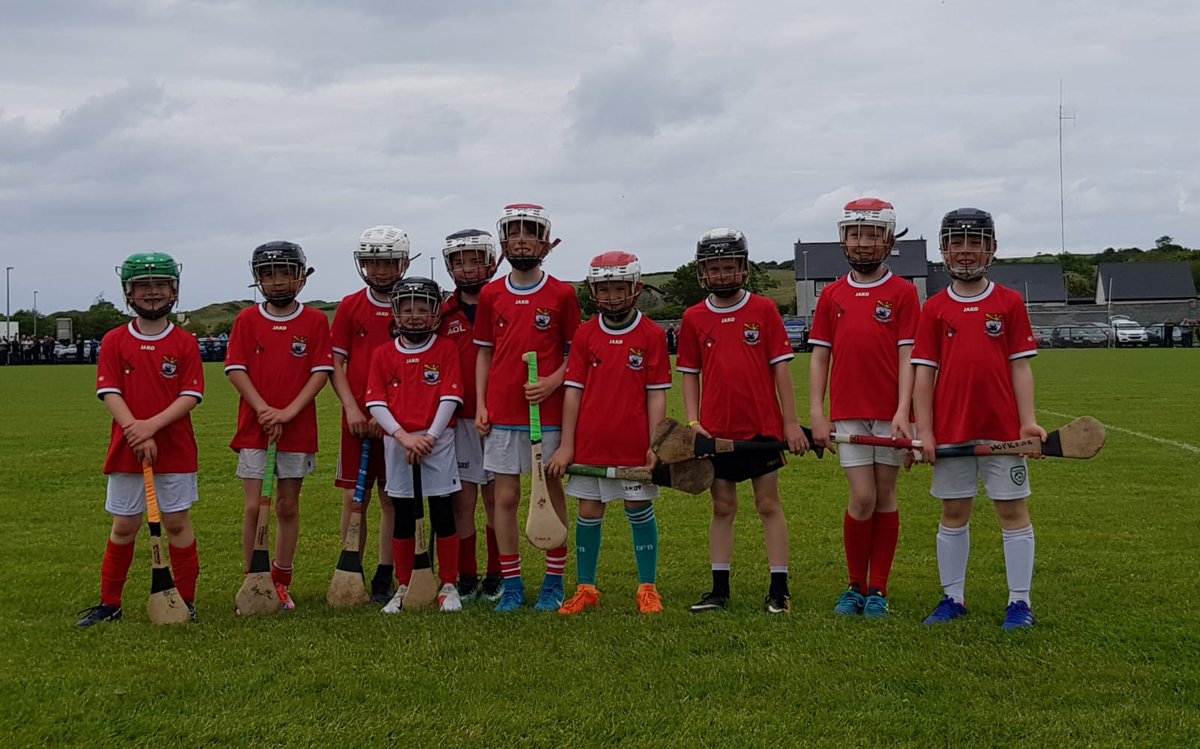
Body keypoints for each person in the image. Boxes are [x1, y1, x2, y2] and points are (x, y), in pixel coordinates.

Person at [912, 208, 1044, 632]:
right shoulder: (933, 309)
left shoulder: (1009, 303)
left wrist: (1028, 424)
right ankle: (953, 598)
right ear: (943, 249)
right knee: (954, 512)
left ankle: (1019, 604)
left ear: (991, 248)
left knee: (1013, 512)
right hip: (952, 431)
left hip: (1003, 432)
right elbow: (923, 374)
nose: (965, 252)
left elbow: (1021, 368)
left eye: (975, 243)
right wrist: (925, 430)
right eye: (956, 243)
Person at [677, 228, 808, 615]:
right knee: (722, 505)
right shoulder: (694, 317)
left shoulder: (764, 311)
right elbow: (689, 373)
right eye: (714, 269)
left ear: (743, 268)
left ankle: (778, 589)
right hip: (717, 433)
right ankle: (719, 589)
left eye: (728, 267)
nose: (721, 275)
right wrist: (693, 421)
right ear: (703, 273)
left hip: (762, 430)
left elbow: (782, 371)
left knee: (768, 504)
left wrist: (791, 423)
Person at [76, 252, 204, 628]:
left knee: (178, 523)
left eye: (160, 285)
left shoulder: (184, 343)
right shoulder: (115, 340)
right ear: (128, 293)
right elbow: (109, 391)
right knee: (124, 525)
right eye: (143, 286)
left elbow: (191, 395)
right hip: (127, 448)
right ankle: (110, 604)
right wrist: (135, 430)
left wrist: (150, 428)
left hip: (175, 448)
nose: (152, 293)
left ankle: (185, 601)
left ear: (174, 291)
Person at [808, 198, 920, 619]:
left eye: (873, 235)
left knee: (886, 495)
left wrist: (904, 412)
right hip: (849, 413)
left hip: (890, 412)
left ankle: (879, 589)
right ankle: (855, 584)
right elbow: (820, 357)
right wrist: (817, 412)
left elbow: (910, 356)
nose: (863, 243)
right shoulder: (832, 295)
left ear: (889, 240)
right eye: (856, 234)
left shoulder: (904, 293)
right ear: (844, 240)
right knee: (863, 496)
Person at [546, 251, 671, 614]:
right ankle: (586, 587)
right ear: (593, 291)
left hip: (633, 446)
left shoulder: (651, 334)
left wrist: (655, 444)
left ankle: (647, 586)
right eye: (605, 289)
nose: (612, 296)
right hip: (591, 444)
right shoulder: (586, 333)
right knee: (589, 509)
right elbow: (573, 393)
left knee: (638, 507)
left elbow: (656, 395)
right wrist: (567, 446)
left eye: (620, 288)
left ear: (635, 289)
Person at [474, 203, 581, 612]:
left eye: (530, 232)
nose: (522, 239)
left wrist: (554, 380)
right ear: (503, 241)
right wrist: (482, 403)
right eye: (514, 232)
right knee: (504, 498)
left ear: (545, 243)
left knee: (552, 493)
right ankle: (513, 583)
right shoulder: (491, 294)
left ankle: (554, 581)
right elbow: (483, 354)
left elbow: (577, 352)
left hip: (549, 413)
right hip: (503, 413)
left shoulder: (562, 294)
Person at [225, 241, 333, 611]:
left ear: (301, 277)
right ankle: (255, 580)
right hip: (255, 426)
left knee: (287, 505)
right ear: (258, 280)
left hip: (296, 428)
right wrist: (263, 409)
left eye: (285, 272)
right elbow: (236, 369)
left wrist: (287, 413)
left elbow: (320, 373)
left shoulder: (315, 321)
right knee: (255, 506)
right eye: (268, 274)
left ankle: (282, 579)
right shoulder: (247, 320)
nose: (277, 282)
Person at [365, 277, 465, 613]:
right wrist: (403, 437)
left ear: (436, 314)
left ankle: (448, 583)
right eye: (407, 309)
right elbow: (377, 402)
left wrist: (429, 438)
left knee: (442, 511)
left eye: (423, 309)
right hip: (399, 443)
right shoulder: (383, 354)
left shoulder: (445, 349)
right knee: (404, 515)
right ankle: (405, 584)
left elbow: (450, 396)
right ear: (395, 312)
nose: (414, 316)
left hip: (438, 441)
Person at [329, 225, 410, 603]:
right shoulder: (350, 305)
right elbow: (335, 361)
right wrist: (351, 408)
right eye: (372, 263)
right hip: (358, 419)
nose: (379, 270)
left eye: (387, 262)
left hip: (399, 421)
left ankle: (385, 572)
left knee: (391, 496)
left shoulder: (412, 304)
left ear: (403, 263)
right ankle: (351, 567)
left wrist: (392, 418)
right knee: (354, 498)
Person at [438, 229, 503, 602]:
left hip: (498, 417)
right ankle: (466, 574)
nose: (467, 268)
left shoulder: (503, 303)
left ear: (490, 261)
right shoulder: (443, 313)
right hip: (458, 418)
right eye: (459, 261)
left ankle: (497, 573)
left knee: (497, 498)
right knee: (463, 499)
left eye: (475, 259)